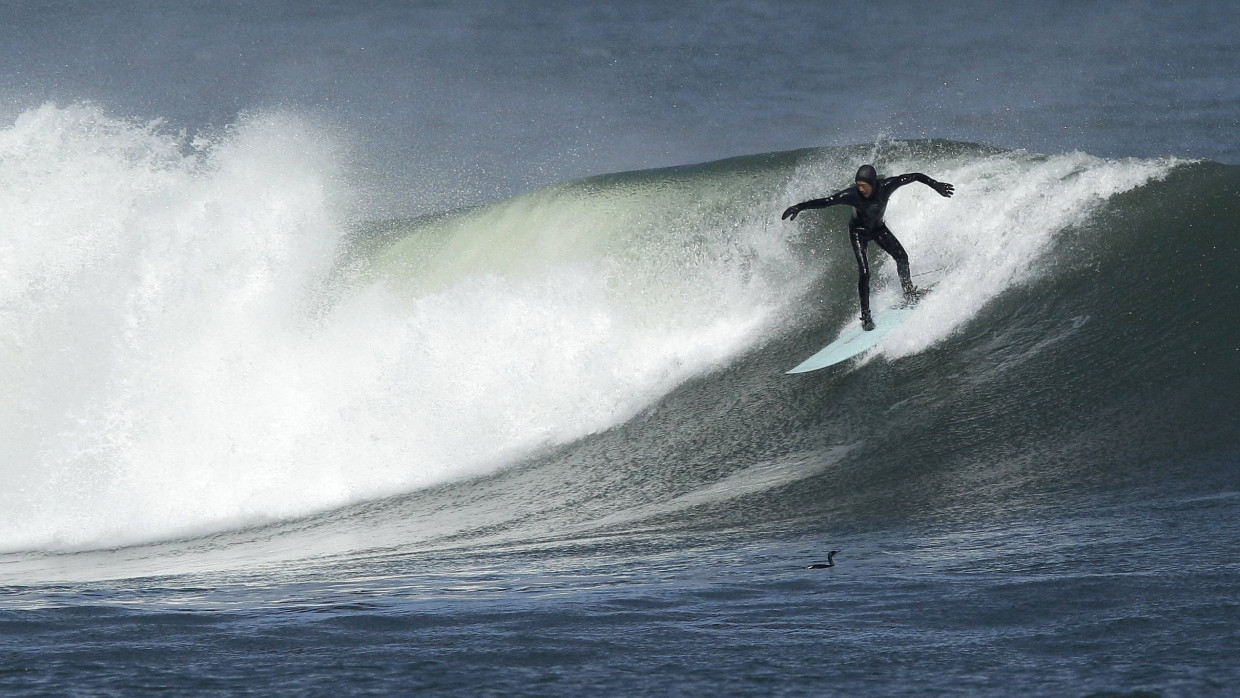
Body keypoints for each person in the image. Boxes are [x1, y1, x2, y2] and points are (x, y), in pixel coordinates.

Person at [782, 164, 954, 330]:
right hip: (858, 232)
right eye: (858, 185)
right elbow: (827, 201)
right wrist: (800, 207)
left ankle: (909, 291)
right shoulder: (852, 195)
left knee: (902, 257)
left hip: (878, 228)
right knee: (864, 272)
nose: (861, 189)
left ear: (872, 183)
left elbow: (914, 176)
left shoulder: (887, 186)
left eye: (864, 186)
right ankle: (866, 315)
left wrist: (935, 185)